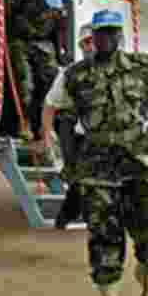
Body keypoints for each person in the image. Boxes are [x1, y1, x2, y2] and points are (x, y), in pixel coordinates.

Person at [44, 10, 148, 296]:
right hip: (96, 164)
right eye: (101, 33)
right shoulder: (76, 76)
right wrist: (69, 163)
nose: (107, 38)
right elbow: (65, 119)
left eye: (113, 32)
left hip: (138, 159)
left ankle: (147, 272)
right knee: (103, 233)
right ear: (93, 36)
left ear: (120, 35)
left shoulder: (142, 67)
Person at [40, 23, 95, 228]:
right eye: (86, 42)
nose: (90, 46)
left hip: (100, 129)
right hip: (72, 127)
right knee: (77, 175)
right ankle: (71, 214)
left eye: (93, 41)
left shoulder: (116, 71)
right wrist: (47, 136)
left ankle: (80, 214)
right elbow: (50, 105)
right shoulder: (70, 73)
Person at [6, 0, 69, 140]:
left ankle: (45, 125)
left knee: (53, 80)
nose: (50, 7)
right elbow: (6, 13)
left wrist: (61, 54)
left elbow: (60, 33)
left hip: (43, 42)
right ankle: (24, 123)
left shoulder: (59, 10)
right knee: (26, 84)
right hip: (21, 41)